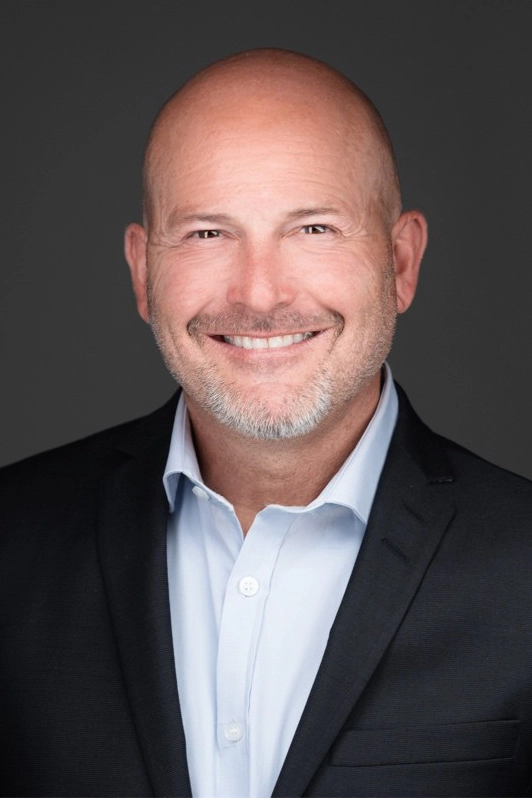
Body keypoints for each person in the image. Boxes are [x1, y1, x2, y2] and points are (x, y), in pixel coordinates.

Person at [1, 47, 531, 798]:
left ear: (401, 261)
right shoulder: (13, 542)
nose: (257, 294)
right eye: (207, 234)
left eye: (313, 229)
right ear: (143, 273)